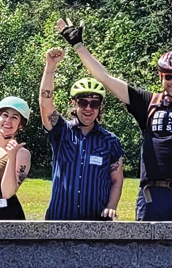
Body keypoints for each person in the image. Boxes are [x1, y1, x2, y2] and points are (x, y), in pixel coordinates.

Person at [56, 0, 172, 221]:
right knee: (144, 254)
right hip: (153, 194)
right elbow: (105, 79)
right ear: (160, 76)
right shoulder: (147, 102)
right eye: (169, 76)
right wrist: (78, 45)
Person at [38, 48, 125, 221]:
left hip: (96, 223)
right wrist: (50, 67)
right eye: (83, 102)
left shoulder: (110, 141)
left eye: (94, 104)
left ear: (100, 106)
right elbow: (45, 103)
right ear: (74, 103)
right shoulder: (61, 131)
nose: (88, 108)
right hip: (59, 219)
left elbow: (117, 180)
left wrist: (111, 207)